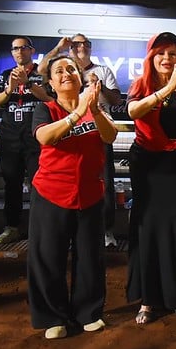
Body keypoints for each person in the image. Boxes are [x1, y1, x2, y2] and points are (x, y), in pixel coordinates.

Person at [27, 55, 118, 340]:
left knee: (90, 257)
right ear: (51, 83)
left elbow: (110, 136)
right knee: (48, 257)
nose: (66, 73)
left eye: (71, 69)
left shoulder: (93, 109)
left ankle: (88, 313)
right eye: (59, 71)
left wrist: (95, 110)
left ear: (81, 79)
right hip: (51, 193)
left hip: (89, 194)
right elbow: (45, 137)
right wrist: (77, 113)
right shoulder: (46, 109)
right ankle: (53, 317)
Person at [125, 32, 176, 323]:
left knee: (174, 225)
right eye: (161, 53)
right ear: (151, 57)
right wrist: (166, 90)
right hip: (147, 162)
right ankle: (148, 300)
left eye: (172, 54)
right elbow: (133, 111)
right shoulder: (141, 84)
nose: (167, 59)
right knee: (147, 225)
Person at [39, 34, 122, 247]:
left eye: (85, 43)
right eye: (76, 44)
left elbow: (116, 102)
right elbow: (42, 70)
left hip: (97, 131)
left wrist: (97, 89)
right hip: (55, 192)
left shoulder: (102, 70)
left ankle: (106, 230)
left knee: (105, 182)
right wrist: (58, 48)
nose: (81, 47)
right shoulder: (48, 108)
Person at [0, 36, 52, 243]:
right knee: (11, 183)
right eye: (15, 49)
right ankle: (12, 227)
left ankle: (40, 229)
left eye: (23, 48)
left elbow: (50, 99)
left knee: (39, 183)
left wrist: (28, 84)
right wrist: (10, 88)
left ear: (32, 51)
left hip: (35, 136)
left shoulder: (41, 74)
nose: (19, 52)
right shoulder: (6, 75)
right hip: (9, 136)